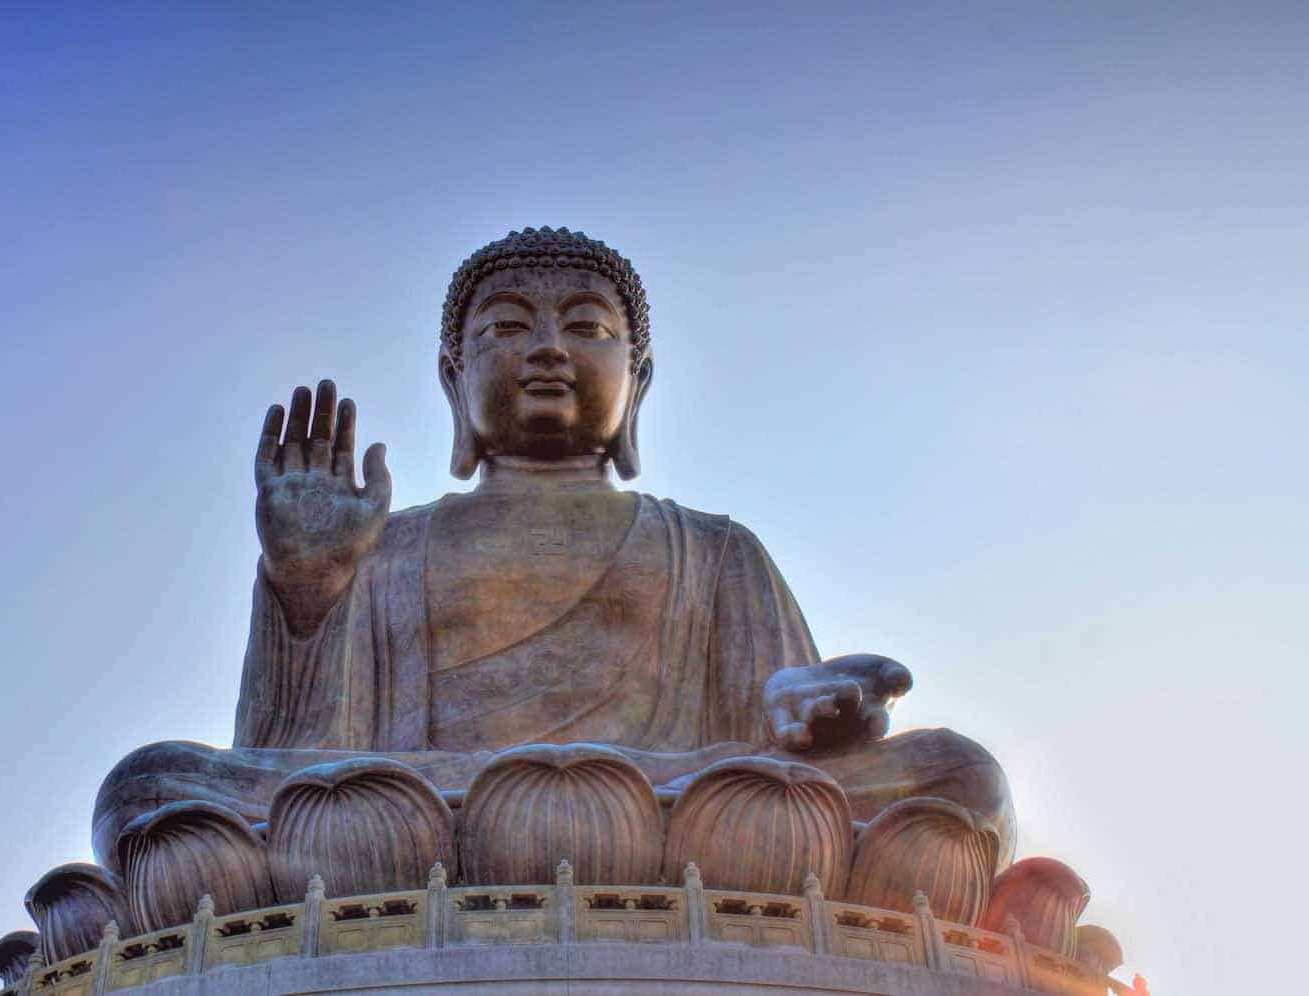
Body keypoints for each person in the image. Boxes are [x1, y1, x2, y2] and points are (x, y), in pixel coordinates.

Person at [92, 227, 1013, 874]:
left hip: (681, 805)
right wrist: (310, 585)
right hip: (424, 817)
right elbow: (296, 760)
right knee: (151, 790)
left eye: (586, 327)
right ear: (454, 380)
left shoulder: (713, 550)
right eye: (503, 328)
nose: (544, 350)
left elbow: (789, 757)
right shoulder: (390, 546)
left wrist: (808, 715)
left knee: (961, 777)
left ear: (637, 381)